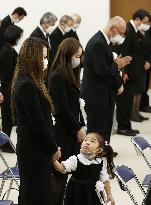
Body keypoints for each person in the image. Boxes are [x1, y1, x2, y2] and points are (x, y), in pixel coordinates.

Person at [11, 37, 61, 205]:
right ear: (32, 57)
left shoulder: (32, 81)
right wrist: (52, 148)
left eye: (46, 57)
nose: (45, 61)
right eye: (42, 57)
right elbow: (38, 124)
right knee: (35, 193)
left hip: (37, 146)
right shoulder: (27, 85)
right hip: (33, 148)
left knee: (38, 191)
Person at [80, 16, 132, 143]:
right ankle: (94, 156)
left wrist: (115, 64)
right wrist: (117, 65)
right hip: (96, 96)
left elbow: (104, 66)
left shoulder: (104, 41)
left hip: (104, 94)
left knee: (105, 127)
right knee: (96, 130)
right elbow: (100, 70)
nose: (122, 37)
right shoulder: (98, 42)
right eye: (121, 33)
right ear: (113, 29)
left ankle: (104, 150)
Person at [48, 37, 86, 205]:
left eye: (80, 56)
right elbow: (62, 108)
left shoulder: (71, 74)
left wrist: (82, 125)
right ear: (67, 55)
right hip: (63, 132)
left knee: (71, 171)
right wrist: (77, 128)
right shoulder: (57, 76)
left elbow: (76, 105)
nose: (79, 60)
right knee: (60, 174)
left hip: (73, 130)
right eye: (77, 56)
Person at [53, 132, 115, 205]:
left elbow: (105, 180)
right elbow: (61, 168)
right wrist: (53, 160)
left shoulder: (100, 162)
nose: (87, 142)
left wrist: (109, 194)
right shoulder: (75, 159)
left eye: (92, 141)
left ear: (99, 150)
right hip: (76, 193)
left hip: (93, 194)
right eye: (85, 140)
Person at [115, 9, 151, 136]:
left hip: (133, 70)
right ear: (137, 20)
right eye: (145, 22)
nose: (146, 25)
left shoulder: (135, 30)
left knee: (129, 100)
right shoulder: (129, 29)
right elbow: (124, 52)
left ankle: (126, 125)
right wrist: (124, 71)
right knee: (124, 101)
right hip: (128, 72)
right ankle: (123, 127)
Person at [0, 25, 23, 153]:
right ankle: (4, 143)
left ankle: (5, 142)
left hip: (10, 89)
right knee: (7, 119)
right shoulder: (6, 51)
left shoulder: (9, 49)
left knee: (10, 118)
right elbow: (9, 73)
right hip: (7, 90)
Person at [30, 12, 58, 81]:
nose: (53, 26)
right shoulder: (36, 35)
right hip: (40, 72)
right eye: (52, 24)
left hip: (47, 70)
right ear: (45, 22)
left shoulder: (47, 34)